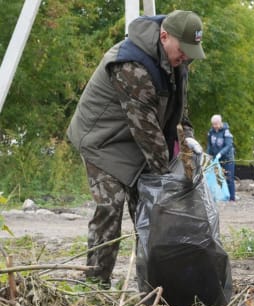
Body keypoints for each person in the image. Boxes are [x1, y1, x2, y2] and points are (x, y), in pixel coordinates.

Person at [66, 10, 205, 288]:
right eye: (183, 50)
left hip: (135, 140)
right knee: (111, 206)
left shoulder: (177, 60)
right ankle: (96, 284)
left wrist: (189, 142)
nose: (186, 57)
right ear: (165, 37)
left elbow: (180, 110)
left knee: (149, 214)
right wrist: (166, 181)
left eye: (191, 51)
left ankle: (155, 287)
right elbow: (147, 132)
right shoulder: (131, 65)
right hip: (102, 140)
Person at [206, 114, 236, 201]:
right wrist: (208, 155)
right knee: (217, 178)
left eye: (216, 124)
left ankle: (232, 198)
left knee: (229, 178)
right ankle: (221, 197)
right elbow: (209, 145)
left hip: (227, 159)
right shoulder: (211, 132)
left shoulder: (226, 132)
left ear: (220, 123)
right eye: (213, 124)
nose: (215, 126)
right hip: (216, 160)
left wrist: (220, 154)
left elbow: (228, 145)